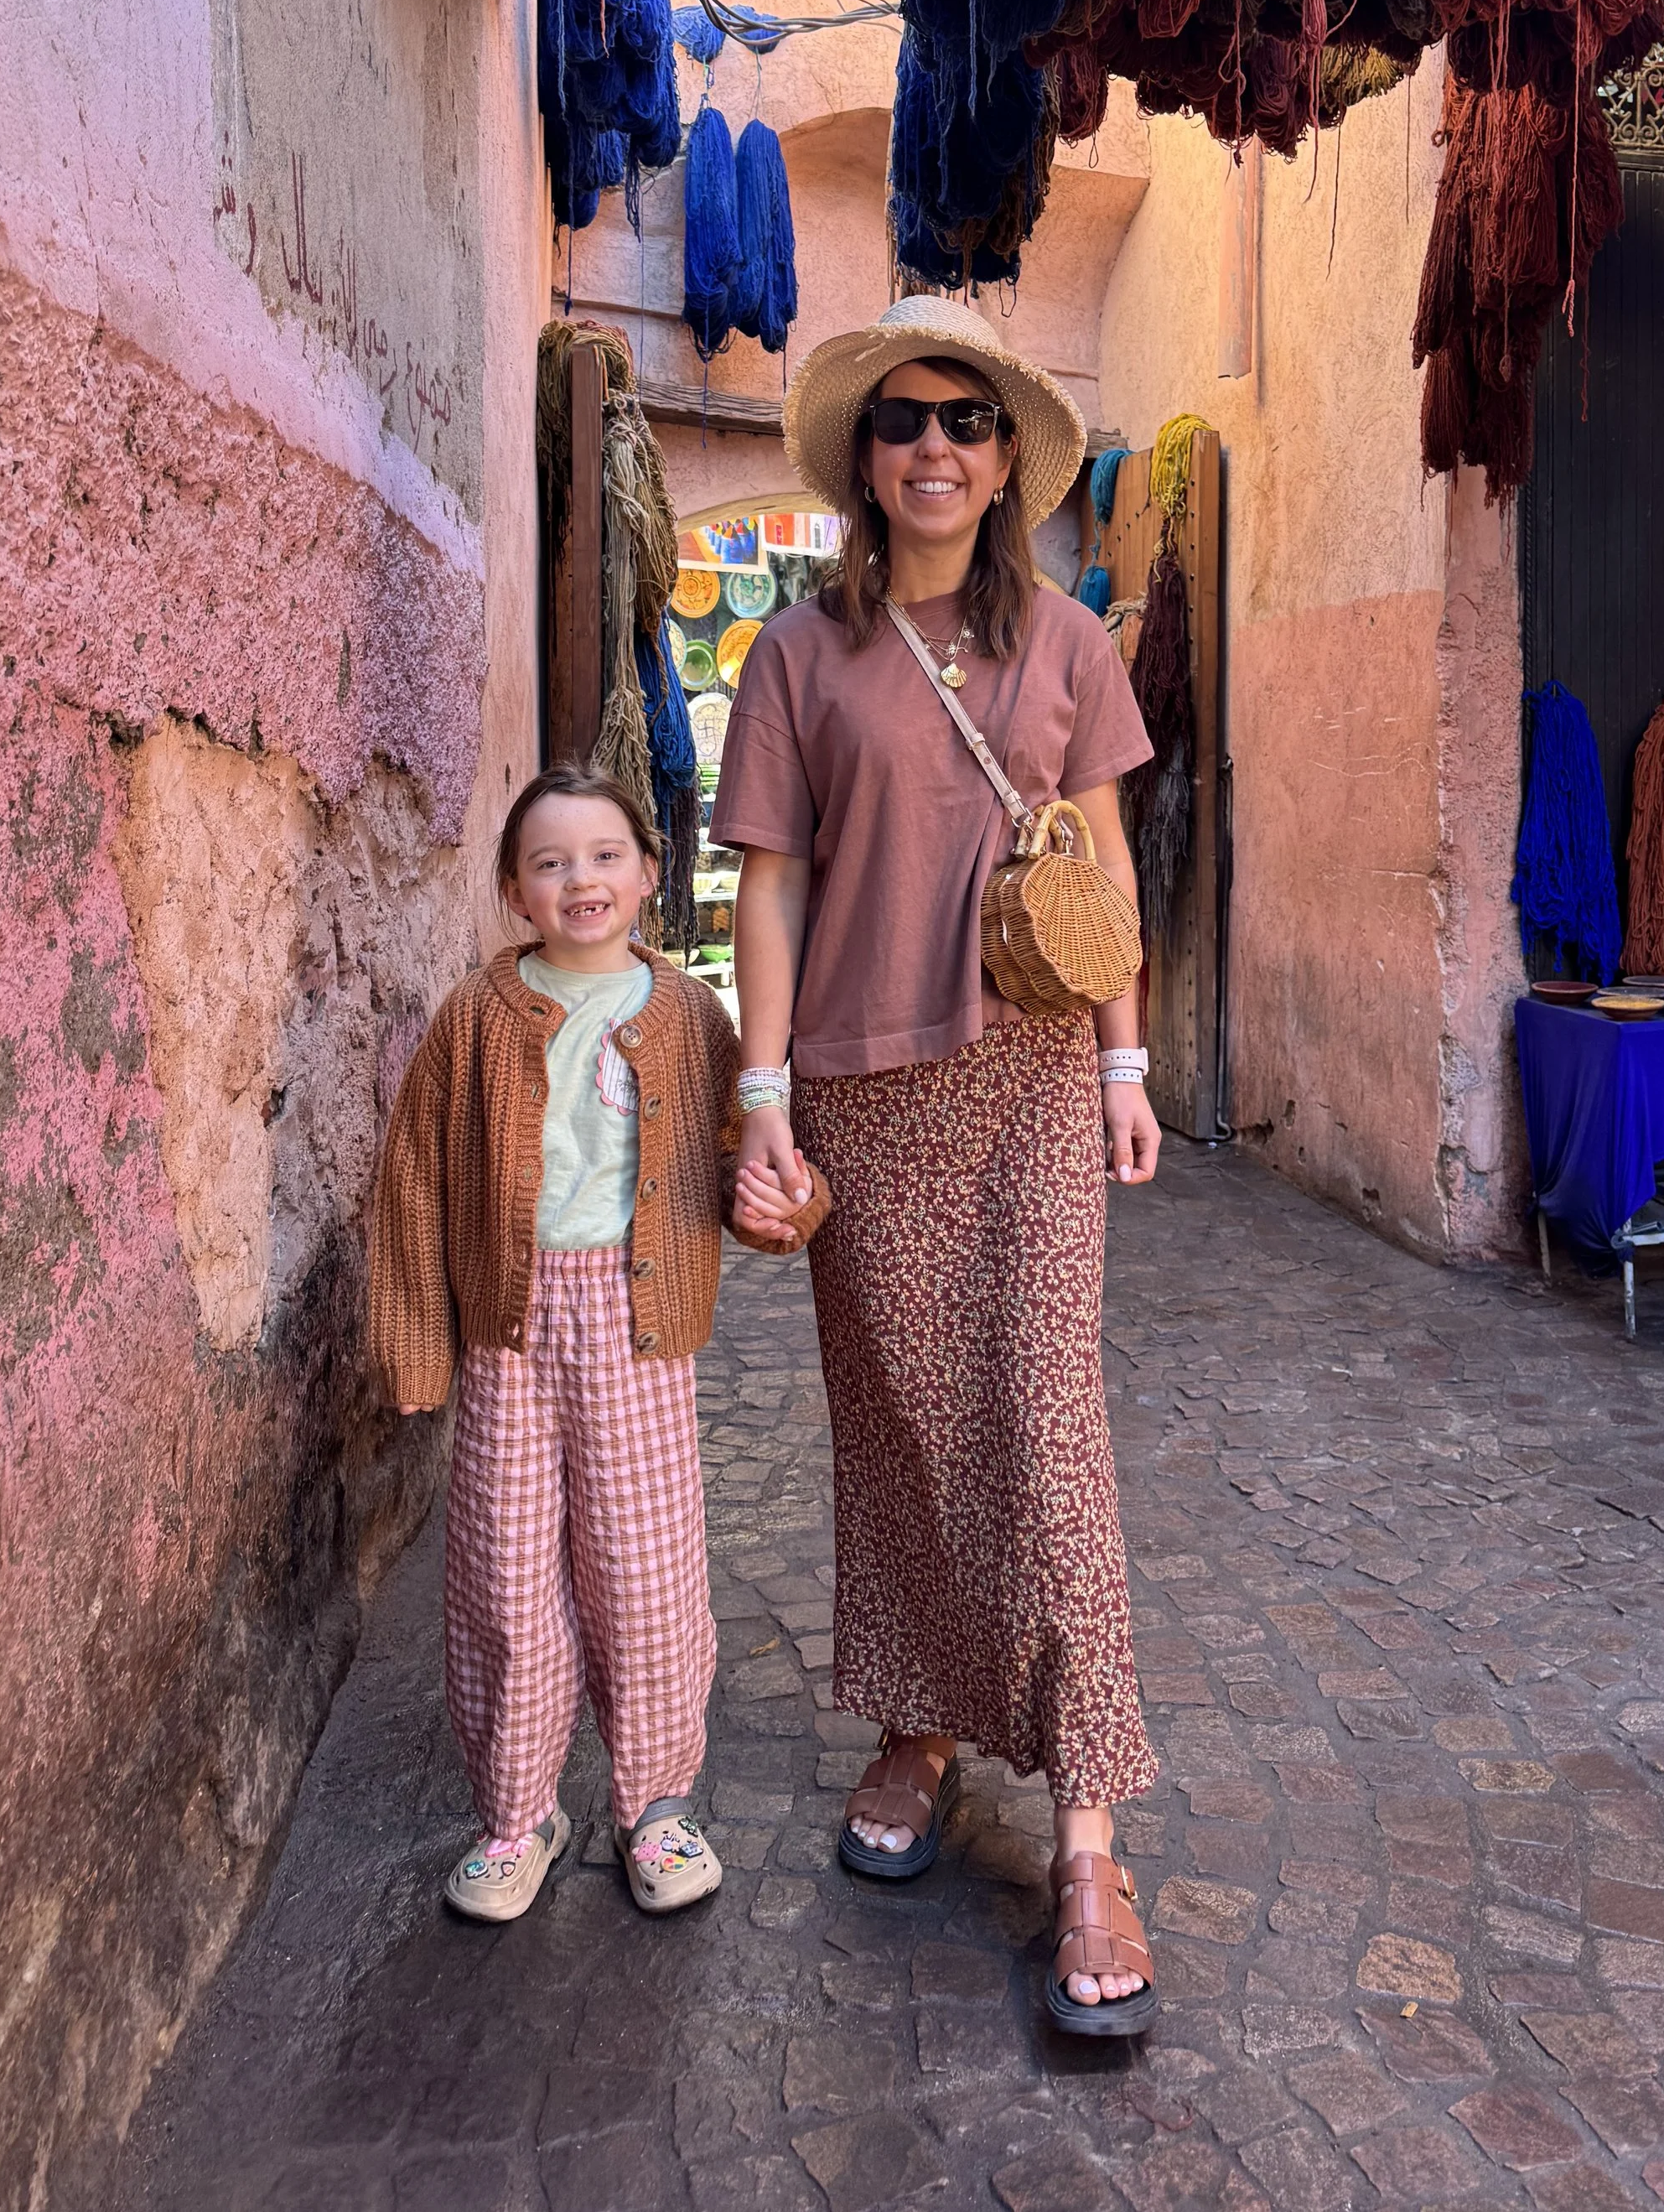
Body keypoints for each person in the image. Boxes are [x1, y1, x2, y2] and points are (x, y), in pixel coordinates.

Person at [716, 295, 1166, 2037]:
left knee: (1043, 1429)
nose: (930, 446)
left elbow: (1106, 866)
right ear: (860, 456)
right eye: (901, 419)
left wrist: (1126, 1056)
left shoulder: (1065, 641)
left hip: (1032, 1078)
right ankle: (914, 1724)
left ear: (1002, 462)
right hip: (858, 1090)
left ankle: (1084, 1830)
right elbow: (765, 880)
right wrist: (760, 1094)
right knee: (903, 1427)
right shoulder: (793, 654)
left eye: (962, 422)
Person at [368, 766, 823, 1922]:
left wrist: (786, 1210)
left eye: (607, 855)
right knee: (508, 1576)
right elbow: (415, 1182)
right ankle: (518, 1816)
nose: (583, 879)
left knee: (645, 1570)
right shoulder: (475, 1017)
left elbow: (746, 1159)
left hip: (639, 1329)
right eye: (552, 861)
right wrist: (422, 1344)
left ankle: (656, 1808)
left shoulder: (689, 1017)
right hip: (509, 1334)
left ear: (650, 875)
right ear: (516, 892)